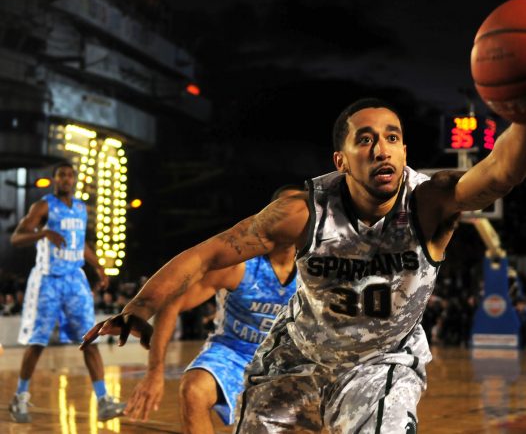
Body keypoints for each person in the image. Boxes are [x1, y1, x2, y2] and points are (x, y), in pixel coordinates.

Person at [82, 98, 526, 433]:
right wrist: (140, 306)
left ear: (405, 150)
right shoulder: (302, 212)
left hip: (381, 361)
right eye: (365, 139)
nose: (381, 149)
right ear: (341, 160)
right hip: (296, 359)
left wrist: (521, 111)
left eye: (392, 137)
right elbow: (207, 254)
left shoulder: (430, 202)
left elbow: (501, 170)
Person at [84, 185, 301, 432]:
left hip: (289, 358)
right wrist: (155, 372)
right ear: (266, 217)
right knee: (194, 389)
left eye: (297, 209)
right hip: (234, 352)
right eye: (282, 209)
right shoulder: (239, 265)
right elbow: (173, 303)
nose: (290, 215)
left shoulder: (317, 267)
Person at [9, 162, 126, 423]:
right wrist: (44, 233)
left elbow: (80, 242)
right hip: (48, 280)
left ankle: (104, 400)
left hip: (75, 279)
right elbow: (16, 237)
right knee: (37, 342)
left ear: (74, 181)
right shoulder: (43, 206)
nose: (66, 179)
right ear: (54, 180)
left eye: (70, 176)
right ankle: (20, 397)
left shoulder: (82, 208)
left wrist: (99, 267)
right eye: (61, 175)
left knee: (90, 338)